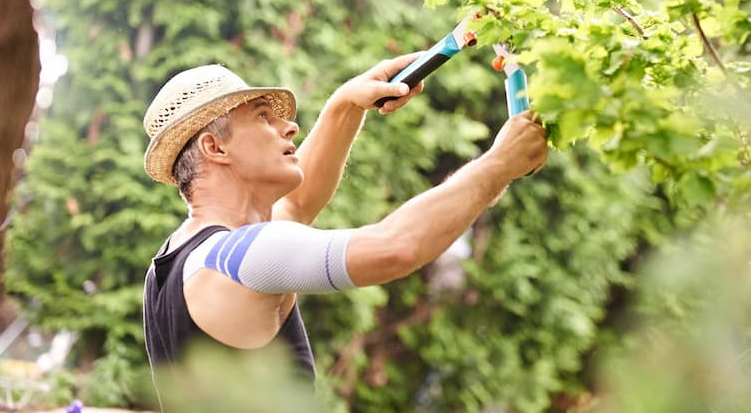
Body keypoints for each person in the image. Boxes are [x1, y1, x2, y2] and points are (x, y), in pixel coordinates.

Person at [141, 53, 547, 401]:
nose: (290, 127)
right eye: (263, 118)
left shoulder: (183, 260)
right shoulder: (241, 257)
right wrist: (499, 164)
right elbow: (397, 246)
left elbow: (297, 206)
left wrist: (346, 104)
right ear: (215, 148)